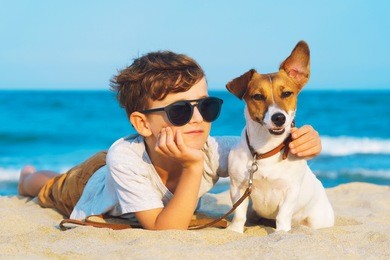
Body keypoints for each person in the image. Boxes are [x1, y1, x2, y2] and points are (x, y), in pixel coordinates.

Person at [18, 51, 322, 230]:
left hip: (123, 174)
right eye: (179, 111)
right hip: (94, 181)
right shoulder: (126, 159)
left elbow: (265, 152)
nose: (197, 119)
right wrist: (193, 168)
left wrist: (306, 140)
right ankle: (27, 176)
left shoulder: (216, 149)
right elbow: (165, 229)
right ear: (142, 123)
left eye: (206, 106)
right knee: (50, 188)